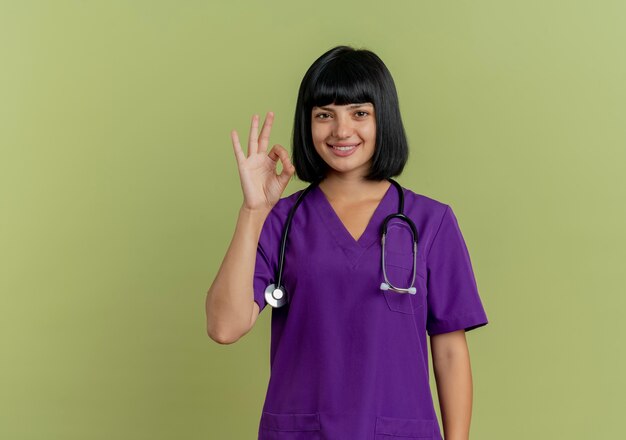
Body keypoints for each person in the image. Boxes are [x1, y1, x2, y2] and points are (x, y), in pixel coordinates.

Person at [205, 45, 489, 440]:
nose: (341, 131)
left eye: (359, 113)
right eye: (325, 115)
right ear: (308, 124)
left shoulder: (431, 222)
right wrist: (253, 211)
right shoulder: (280, 221)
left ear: (382, 118)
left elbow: (450, 351)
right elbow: (224, 326)